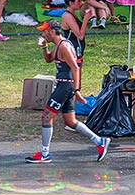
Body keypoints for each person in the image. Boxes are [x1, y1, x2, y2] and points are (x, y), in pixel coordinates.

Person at [24, 21, 111, 163]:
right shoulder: (59, 45)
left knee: (46, 116)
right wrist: (44, 48)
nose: (42, 34)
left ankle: (45, 154)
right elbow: (48, 59)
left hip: (65, 87)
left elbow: (75, 68)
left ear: (52, 32)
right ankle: (100, 141)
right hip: (64, 86)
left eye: (44, 32)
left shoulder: (64, 46)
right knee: (70, 121)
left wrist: (76, 90)